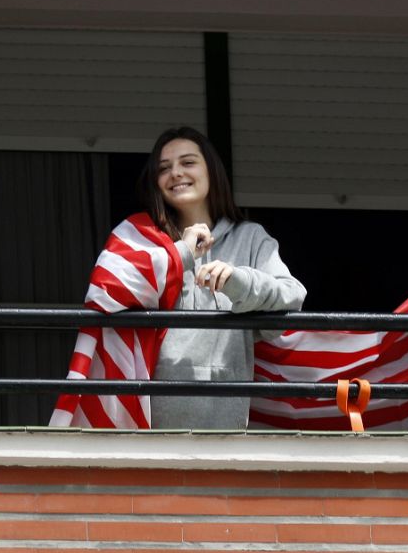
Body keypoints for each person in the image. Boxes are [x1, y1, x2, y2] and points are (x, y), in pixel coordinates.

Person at [51, 127, 305, 430]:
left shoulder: (250, 238)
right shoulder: (136, 236)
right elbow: (106, 291)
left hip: (227, 428)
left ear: (212, 171)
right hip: (146, 428)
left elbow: (292, 295)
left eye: (187, 163)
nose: (175, 173)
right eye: (163, 168)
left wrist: (237, 280)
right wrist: (182, 252)